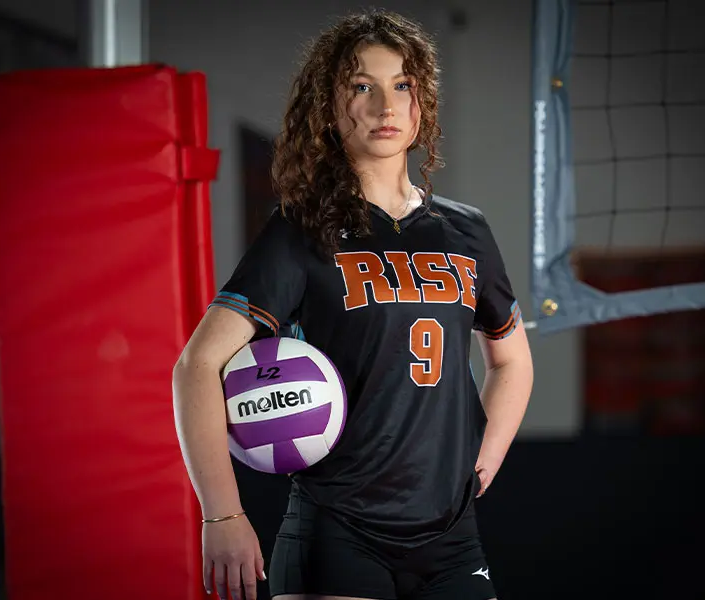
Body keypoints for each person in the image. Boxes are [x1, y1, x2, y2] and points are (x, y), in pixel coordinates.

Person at [173, 10, 533, 600]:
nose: (385, 106)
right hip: (338, 530)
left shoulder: (466, 232)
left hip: (451, 535)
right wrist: (222, 515)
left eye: (402, 86)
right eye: (361, 86)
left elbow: (512, 359)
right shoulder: (302, 230)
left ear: (422, 104)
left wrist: (483, 459)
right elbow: (197, 365)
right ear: (330, 108)